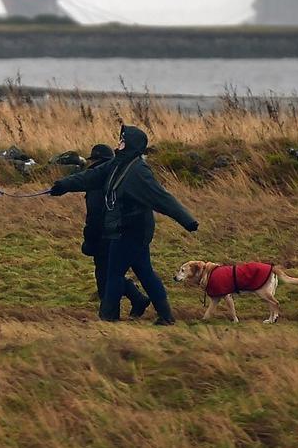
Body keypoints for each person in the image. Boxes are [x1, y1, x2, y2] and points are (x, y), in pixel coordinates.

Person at [49, 125, 199, 324]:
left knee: (113, 274)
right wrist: (63, 186)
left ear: (130, 145)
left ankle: (108, 318)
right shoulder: (116, 164)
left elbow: (163, 198)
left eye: (122, 140)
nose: (118, 143)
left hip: (132, 231)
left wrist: (187, 221)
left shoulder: (138, 171)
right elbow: (90, 177)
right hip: (125, 231)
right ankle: (166, 317)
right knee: (145, 274)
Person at [76, 144, 150, 318]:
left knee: (104, 276)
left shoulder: (96, 182)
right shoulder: (120, 176)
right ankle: (136, 299)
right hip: (122, 232)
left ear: (94, 161)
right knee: (113, 273)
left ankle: (110, 315)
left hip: (104, 235)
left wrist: (89, 239)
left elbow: (94, 216)